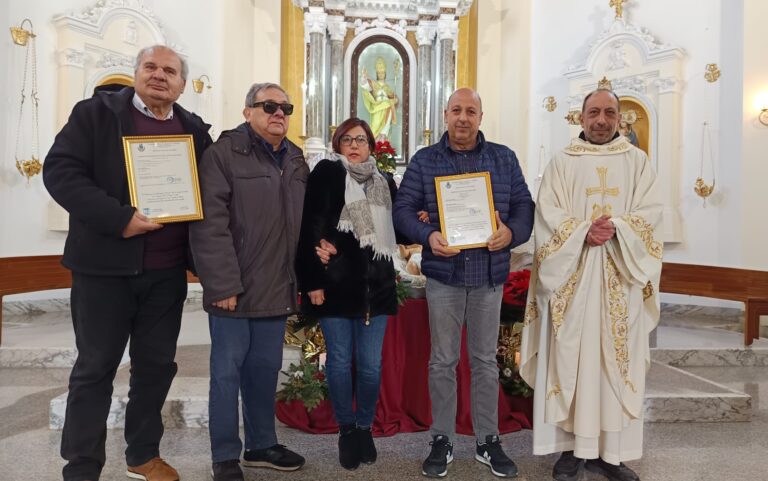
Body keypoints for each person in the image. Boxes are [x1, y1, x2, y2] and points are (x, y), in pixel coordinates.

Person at [43, 45, 212, 481]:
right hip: (104, 270)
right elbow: (60, 172)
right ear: (136, 73)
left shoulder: (193, 129)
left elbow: (210, 196)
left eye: (170, 70)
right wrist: (120, 219)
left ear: (181, 83)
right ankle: (81, 466)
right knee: (95, 369)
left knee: (156, 368)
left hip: (166, 274)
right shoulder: (95, 115)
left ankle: (142, 454)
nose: (159, 75)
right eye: (150, 67)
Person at [519, 89, 663, 481]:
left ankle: (611, 453)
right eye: (594, 112)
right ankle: (570, 452)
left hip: (621, 279)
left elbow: (650, 215)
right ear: (580, 118)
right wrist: (583, 231)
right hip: (573, 283)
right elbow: (547, 215)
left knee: (614, 364)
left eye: (610, 113)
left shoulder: (638, 162)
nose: (601, 120)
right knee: (571, 362)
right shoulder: (562, 162)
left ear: (621, 119)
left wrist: (616, 226)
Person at [393, 87, 535, 478]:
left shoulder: (503, 158)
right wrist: (427, 238)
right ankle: (442, 438)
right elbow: (402, 209)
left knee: (485, 362)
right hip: (445, 278)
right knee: (442, 361)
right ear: (445, 114)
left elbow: (524, 206)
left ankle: (488, 440)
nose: (463, 117)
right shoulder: (425, 161)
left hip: (489, 277)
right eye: (457, 110)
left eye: (471, 110)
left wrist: (511, 232)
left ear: (480, 116)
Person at [189, 83, 308, 481]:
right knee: (226, 374)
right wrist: (221, 284)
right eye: (269, 106)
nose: (279, 113)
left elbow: (302, 225)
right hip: (234, 291)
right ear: (247, 112)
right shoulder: (223, 155)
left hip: (276, 285)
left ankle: (261, 444)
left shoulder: (294, 158)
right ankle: (224, 454)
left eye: (285, 107)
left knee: (264, 370)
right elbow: (210, 225)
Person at [296, 117, 399, 471]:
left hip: (378, 290)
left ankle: (364, 428)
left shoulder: (386, 183)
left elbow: (397, 228)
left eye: (361, 139)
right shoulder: (326, 173)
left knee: (370, 367)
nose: (354, 145)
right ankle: (345, 430)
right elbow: (310, 227)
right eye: (347, 139)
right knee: (339, 363)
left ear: (371, 146)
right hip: (336, 286)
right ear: (338, 144)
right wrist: (313, 280)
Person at [360, 57, 398, 140]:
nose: (381, 75)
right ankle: (374, 145)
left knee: (385, 127)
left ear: (385, 74)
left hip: (387, 109)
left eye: (383, 73)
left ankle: (383, 144)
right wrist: (364, 78)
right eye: (379, 73)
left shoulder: (387, 87)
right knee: (375, 126)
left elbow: (393, 98)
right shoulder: (374, 84)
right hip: (376, 108)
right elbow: (365, 87)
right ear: (377, 74)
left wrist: (395, 100)